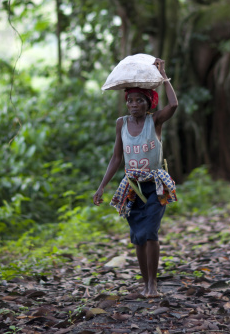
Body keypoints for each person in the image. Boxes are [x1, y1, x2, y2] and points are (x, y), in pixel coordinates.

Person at [93, 58, 178, 298]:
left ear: (149, 103)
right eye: (130, 100)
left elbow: (174, 104)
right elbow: (116, 158)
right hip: (132, 188)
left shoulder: (155, 121)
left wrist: (164, 76)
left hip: (155, 186)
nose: (133, 105)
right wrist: (101, 187)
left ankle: (153, 283)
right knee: (138, 237)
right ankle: (145, 283)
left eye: (139, 100)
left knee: (150, 231)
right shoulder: (121, 124)